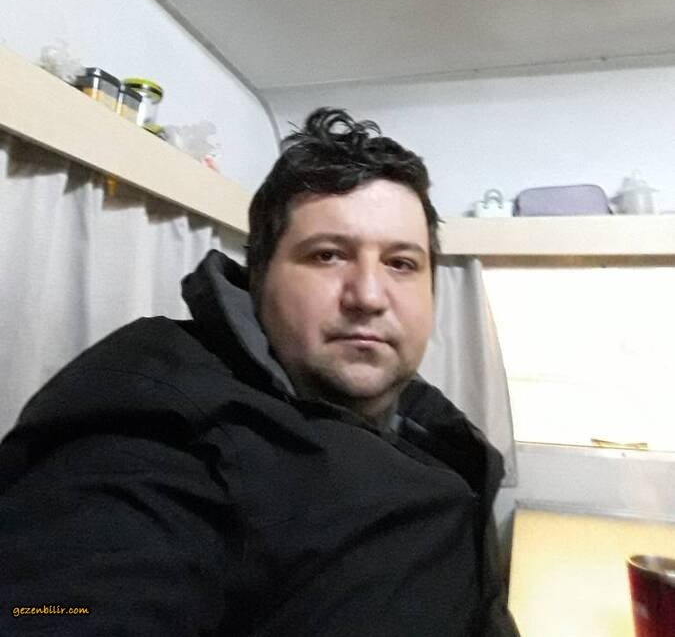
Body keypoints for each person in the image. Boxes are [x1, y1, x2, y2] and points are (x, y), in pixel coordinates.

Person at [0, 108, 518, 636]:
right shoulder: (159, 421)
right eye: (328, 255)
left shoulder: (431, 428)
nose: (368, 295)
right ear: (259, 277)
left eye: (401, 263)